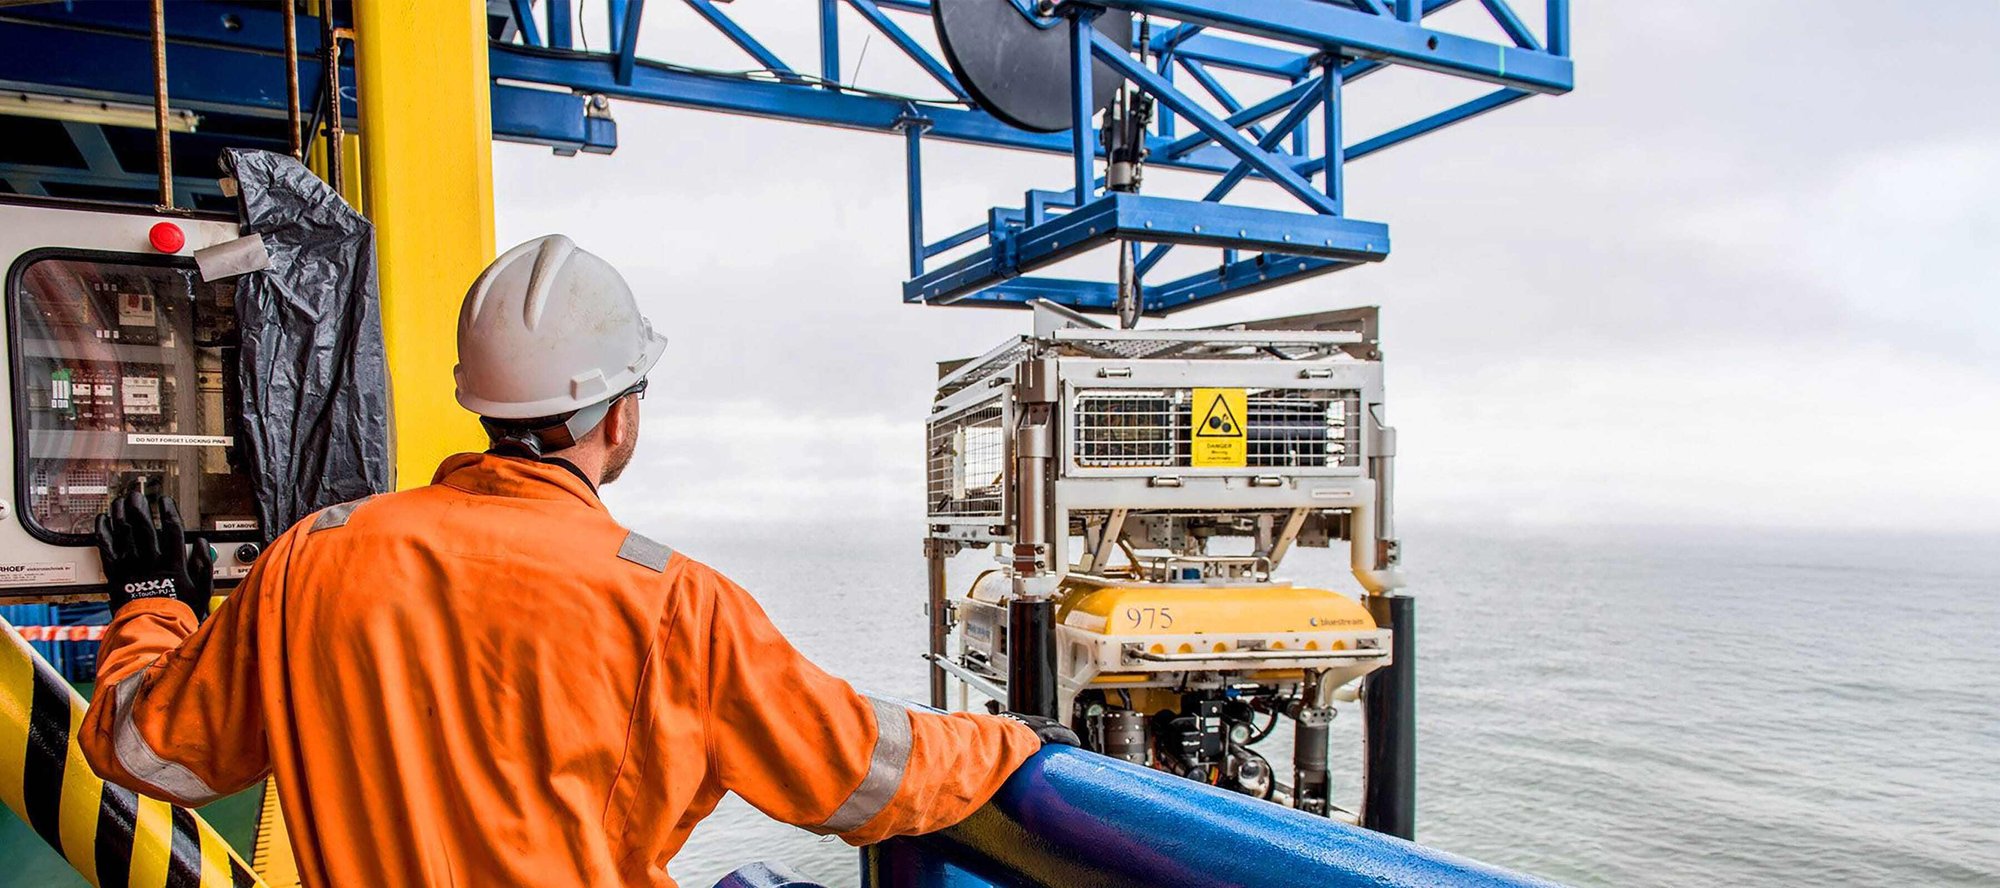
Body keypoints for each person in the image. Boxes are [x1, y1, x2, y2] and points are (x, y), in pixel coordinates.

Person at [78, 235, 1073, 886]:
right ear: (623, 409)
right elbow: (857, 771)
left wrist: (154, 603)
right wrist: (1018, 744)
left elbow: (146, 752)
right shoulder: (673, 604)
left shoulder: (312, 561)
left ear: (480, 400)